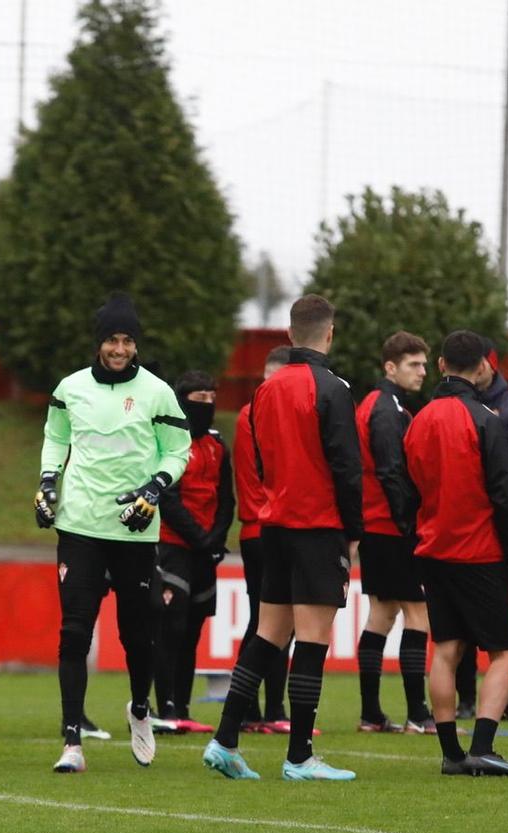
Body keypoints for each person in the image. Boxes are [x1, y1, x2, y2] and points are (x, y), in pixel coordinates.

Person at [202, 294, 365, 781]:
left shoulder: (265, 392)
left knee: (268, 632)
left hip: (274, 525)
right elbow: (347, 467)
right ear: (329, 333)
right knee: (312, 639)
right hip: (316, 527)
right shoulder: (332, 388)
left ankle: (225, 739)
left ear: (291, 333)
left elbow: (260, 460)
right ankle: (299, 756)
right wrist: (353, 532)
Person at [37, 293, 192, 773]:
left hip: (135, 527)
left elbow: (178, 450)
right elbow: (56, 438)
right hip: (80, 524)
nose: (119, 348)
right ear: (98, 342)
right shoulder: (70, 388)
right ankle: (71, 742)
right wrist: (47, 483)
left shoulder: (158, 392)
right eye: (111, 339)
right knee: (73, 632)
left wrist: (154, 488)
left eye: (127, 340)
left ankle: (140, 710)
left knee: (137, 634)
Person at [383, 330, 508, 776]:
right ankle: (484, 746)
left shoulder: (419, 420)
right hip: (480, 552)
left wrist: (416, 536)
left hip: (434, 550)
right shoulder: (486, 420)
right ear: (484, 367)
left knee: (446, 649)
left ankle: (452, 753)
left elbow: (405, 488)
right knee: (506, 652)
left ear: (443, 365)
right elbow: (505, 496)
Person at [353, 331, 436, 734]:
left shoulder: (381, 404)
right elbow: (390, 470)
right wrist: (410, 525)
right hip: (390, 526)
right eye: (414, 365)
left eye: (423, 364)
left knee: (381, 616)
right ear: (391, 367)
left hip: (376, 526)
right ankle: (418, 714)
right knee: (417, 614)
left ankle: (371, 714)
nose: (422, 372)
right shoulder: (385, 408)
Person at [153, 370, 233, 732]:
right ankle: (163, 706)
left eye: (211, 399)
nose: (207, 406)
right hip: (172, 546)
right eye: (198, 400)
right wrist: (201, 539)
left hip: (205, 550)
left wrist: (215, 539)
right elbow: (167, 498)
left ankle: (181, 707)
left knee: (193, 630)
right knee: (171, 626)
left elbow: (226, 500)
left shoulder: (218, 446)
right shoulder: (169, 443)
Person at [456, 335, 508, 722]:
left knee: (505, 614)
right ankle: (466, 698)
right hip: (462, 521)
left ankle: (507, 696)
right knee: (461, 624)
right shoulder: (455, 404)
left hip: (496, 522)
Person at [233, 345, 293, 732]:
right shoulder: (262, 412)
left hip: (259, 528)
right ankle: (263, 709)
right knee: (270, 622)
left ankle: (262, 709)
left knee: (269, 621)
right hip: (267, 527)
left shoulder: (250, 411)